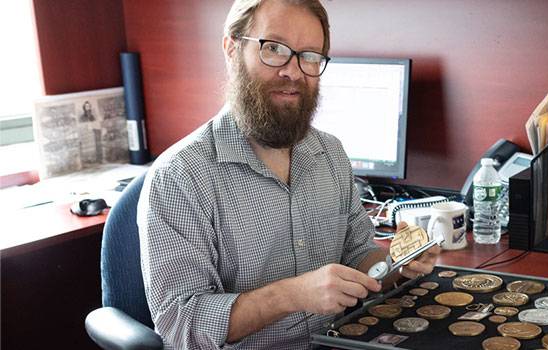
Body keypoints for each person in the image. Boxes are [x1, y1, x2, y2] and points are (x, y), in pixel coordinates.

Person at [137, 1, 440, 348]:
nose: (294, 71)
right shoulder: (179, 177)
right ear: (232, 48)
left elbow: (359, 257)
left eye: (310, 55)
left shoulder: (330, 153)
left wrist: (398, 264)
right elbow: (180, 325)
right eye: (274, 49)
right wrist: (290, 296)